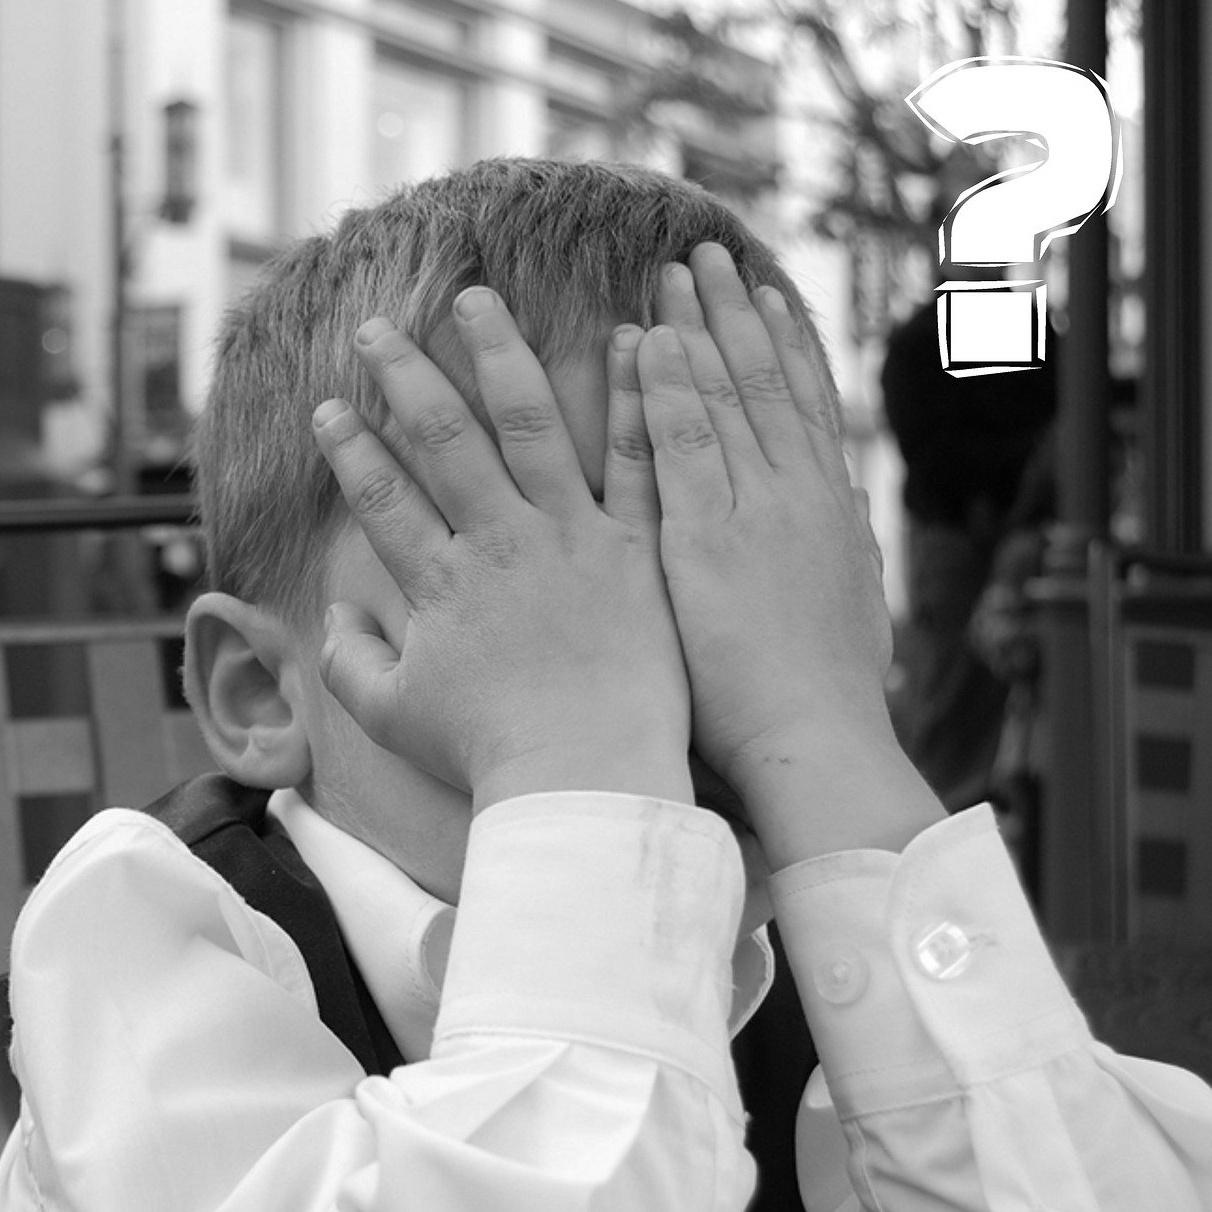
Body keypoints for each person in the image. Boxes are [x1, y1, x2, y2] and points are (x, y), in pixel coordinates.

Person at [1, 158, 1210, 1212]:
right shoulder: (146, 930)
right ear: (266, 691)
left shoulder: (803, 952)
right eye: (548, 599)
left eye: (746, 589)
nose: (665, 687)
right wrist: (566, 764)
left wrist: (825, 740)